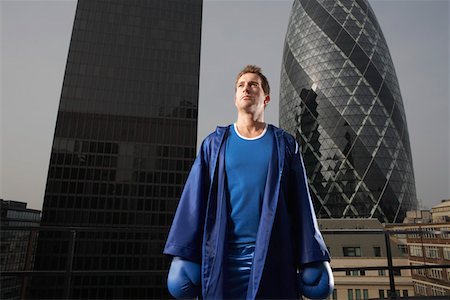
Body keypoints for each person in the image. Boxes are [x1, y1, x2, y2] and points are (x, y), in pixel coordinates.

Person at [163, 65, 333, 299]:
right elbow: (193, 201)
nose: (246, 88)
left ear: (266, 98)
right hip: (223, 259)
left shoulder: (284, 144)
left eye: (254, 84)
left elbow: (301, 204)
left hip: (272, 257)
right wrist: (184, 253)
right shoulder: (214, 144)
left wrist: (312, 256)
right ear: (235, 98)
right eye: (241, 85)